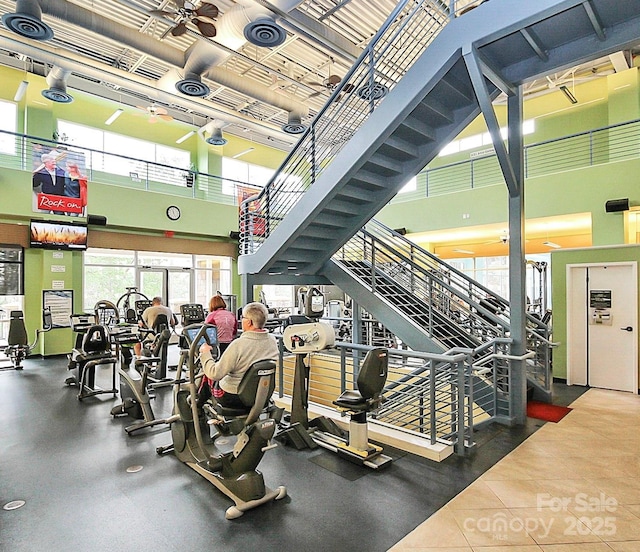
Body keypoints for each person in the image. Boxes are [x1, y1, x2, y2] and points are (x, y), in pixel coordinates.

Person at [198, 302, 278, 409]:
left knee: (207, 376)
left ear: (249, 322)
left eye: (243, 318)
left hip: (234, 396)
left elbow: (214, 374)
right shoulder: (272, 340)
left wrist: (205, 353)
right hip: (262, 394)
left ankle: (197, 409)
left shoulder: (238, 344)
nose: (241, 320)